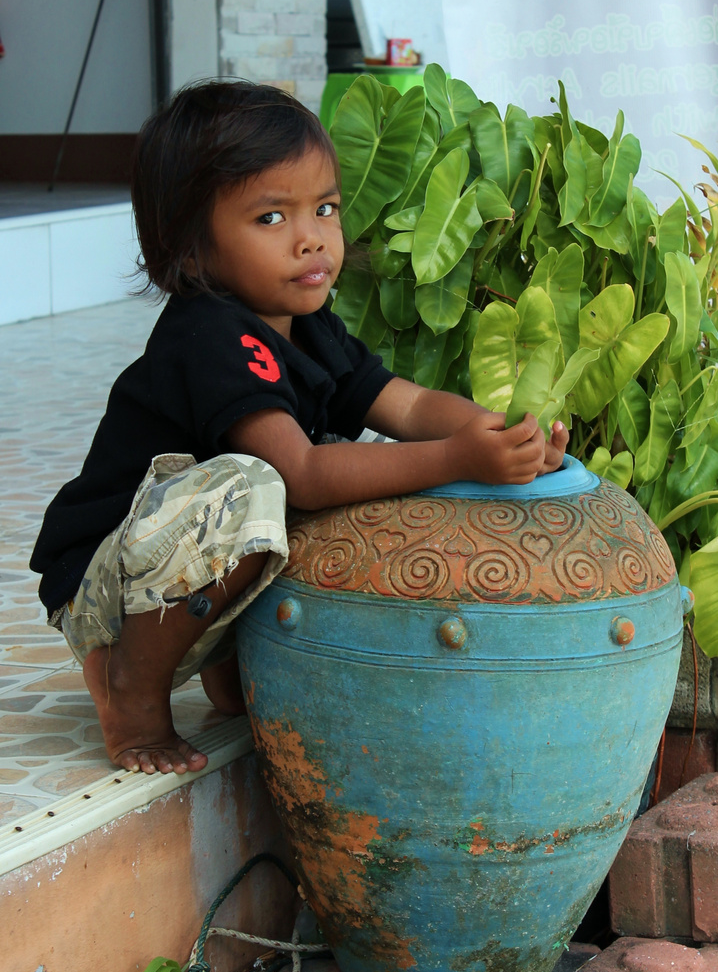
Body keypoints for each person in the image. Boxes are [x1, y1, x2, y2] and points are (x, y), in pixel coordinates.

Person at [30, 80, 568, 778]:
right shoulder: (210, 335)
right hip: (104, 587)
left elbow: (402, 406)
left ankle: (228, 666)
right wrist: (460, 457)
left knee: (342, 474)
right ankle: (128, 690)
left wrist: (499, 432)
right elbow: (305, 478)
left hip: (171, 571)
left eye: (324, 208)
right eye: (271, 218)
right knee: (266, 484)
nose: (311, 236)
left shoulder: (307, 327)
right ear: (191, 246)